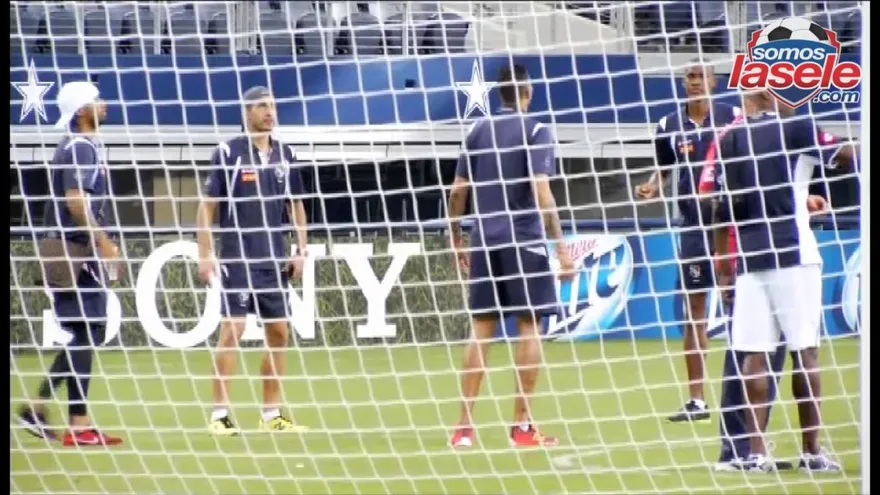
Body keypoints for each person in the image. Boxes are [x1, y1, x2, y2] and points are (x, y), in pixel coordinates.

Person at [711, 89, 856, 472]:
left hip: (749, 256)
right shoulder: (796, 126)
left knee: (753, 355)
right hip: (795, 254)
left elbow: (722, 205)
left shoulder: (731, 138)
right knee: (804, 352)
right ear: (771, 95)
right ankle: (812, 452)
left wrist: (722, 259)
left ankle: (754, 454)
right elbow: (845, 155)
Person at [447, 63, 575, 449]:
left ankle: (463, 428)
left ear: (498, 92)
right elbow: (542, 190)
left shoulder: (477, 131)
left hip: (485, 241)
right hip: (524, 241)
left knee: (481, 330)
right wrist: (562, 247)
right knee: (529, 327)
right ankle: (521, 427)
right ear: (528, 91)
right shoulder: (537, 131)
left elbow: (457, 192)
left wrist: (456, 238)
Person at [197, 86, 309, 436]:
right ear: (247, 112)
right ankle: (219, 415)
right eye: (262, 106)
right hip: (238, 258)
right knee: (233, 330)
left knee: (279, 332)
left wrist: (301, 249)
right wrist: (204, 252)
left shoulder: (285, 154)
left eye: (273, 106)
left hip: (273, 258)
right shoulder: (228, 153)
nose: (269, 112)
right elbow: (207, 206)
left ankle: (271, 413)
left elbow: (297, 206)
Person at [17, 81, 123, 446]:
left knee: (86, 332)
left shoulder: (78, 145)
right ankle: (57, 414)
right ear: (81, 111)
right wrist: (103, 241)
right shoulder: (80, 147)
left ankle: (62, 416)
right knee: (88, 330)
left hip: (66, 246)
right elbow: (76, 202)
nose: (104, 104)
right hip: (75, 248)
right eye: (96, 99)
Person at [635, 60, 741, 422]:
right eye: (689, 77)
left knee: (739, 310)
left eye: (700, 77)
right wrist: (653, 185)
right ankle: (697, 400)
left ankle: (740, 394)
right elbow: (665, 167)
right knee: (695, 312)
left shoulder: (735, 117)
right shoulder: (668, 124)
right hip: (694, 229)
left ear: (714, 82)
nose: (694, 82)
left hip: (732, 226)